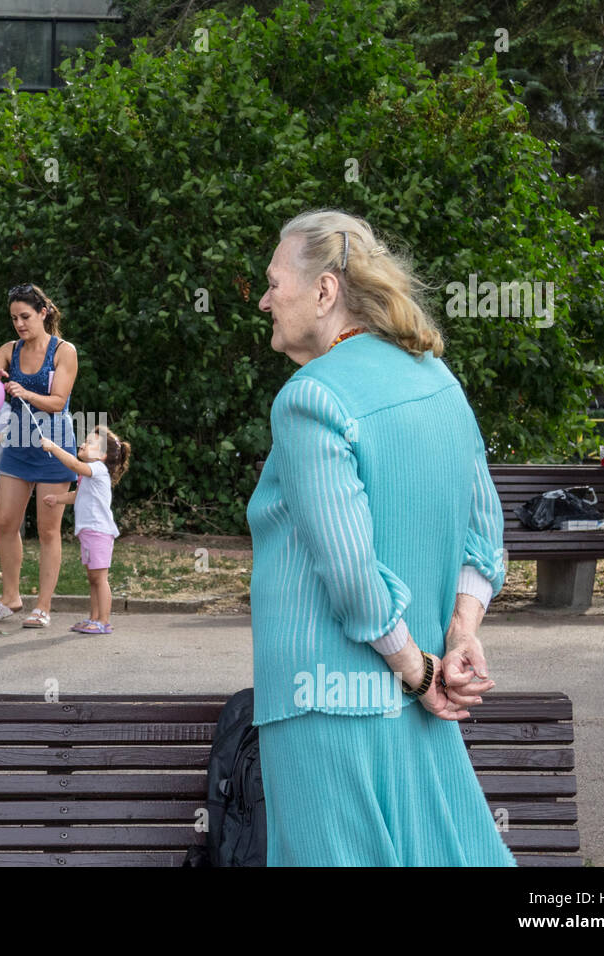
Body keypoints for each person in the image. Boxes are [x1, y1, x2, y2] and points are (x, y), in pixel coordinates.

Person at [249, 209, 513, 865]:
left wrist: (418, 670)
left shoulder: (309, 397)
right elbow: (487, 530)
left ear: (325, 290)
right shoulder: (436, 379)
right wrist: (459, 635)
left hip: (323, 701)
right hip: (413, 695)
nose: (263, 299)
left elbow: (349, 570)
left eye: (274, 281)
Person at [0, 283, 80, 629]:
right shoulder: (9, 349)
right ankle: (10, 598)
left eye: (25, 316)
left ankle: (44, 606)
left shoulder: (64, 351)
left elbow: (59, 402)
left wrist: (24, 392)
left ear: (43, 313)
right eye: (14, 318)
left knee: (49, 531)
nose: (19, 324)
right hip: (18, 446)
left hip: (54, 448)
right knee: (6, 522)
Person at [40, 425, 130, 634]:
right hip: (90, 533)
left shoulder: (97, 469)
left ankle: (104, 621)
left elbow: (73, 464)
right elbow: (76, 495)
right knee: (93, 579)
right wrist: (58, 499)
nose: (83, 444)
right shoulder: (90, 474)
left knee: (100, 578)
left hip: (98, 532)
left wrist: (53, 447)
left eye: (90, 443)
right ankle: (94, 617)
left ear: (102, 456)